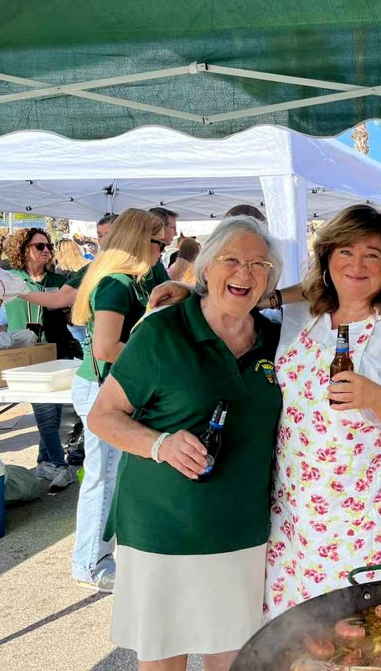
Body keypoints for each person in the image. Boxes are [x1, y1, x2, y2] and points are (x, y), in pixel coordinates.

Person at [87, 216, 283, 671]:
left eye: (258, 264)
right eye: (231, 259)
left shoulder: (278, 340)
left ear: (269, 281)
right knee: (164, 657)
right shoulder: (162, 331)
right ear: (207, 268)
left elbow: (331, 288)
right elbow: (102, 416)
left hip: (242, 530)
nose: (244, 272)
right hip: (162, 528)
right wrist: (161, 444)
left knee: (235, 657)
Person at [264, 204, 381, 613]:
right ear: (327, 258)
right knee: (296, 632)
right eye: (345, 251)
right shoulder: (303, 314)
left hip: (359, 519)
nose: (357, 264)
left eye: (372, 254)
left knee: (355, 629)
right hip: (293, 511)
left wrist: (373, 397)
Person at [69, 209, 166, 593]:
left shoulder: (129, 281)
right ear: (141, 241)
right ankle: (90, 562)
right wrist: (155, 361)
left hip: (107, 387)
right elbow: (108, 347)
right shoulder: (116, 284)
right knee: (103, 477)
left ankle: (98, 556)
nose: (163, 249)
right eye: (158, 242)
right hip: (101, 389)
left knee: (109, 476)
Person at [0, 228, 74, 489]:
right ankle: (60, 464)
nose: (46, 251)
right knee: (43, 411)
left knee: (52, 413)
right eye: (39, 246)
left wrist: (67, 312)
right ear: (24, 250)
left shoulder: (59, 279)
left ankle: (44, 462)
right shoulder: (11, 280)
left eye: (48, 246)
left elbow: (72, 316)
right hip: (26, 358)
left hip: (57, 352)